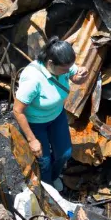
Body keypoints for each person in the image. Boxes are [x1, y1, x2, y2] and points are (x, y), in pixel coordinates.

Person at [14, 37, 89, 190]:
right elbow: (17, 110)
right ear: (50, 63)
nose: (68, 71)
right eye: (64, 70)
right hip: (35, 122)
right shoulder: (33, 80)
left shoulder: (62, 65)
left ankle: (53, 178)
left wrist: (81, 76)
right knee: (44, 161)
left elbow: (75, 78)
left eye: (70, 67)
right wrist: (32, 140)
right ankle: (45, 188)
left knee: (65, 153)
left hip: (56, 116)